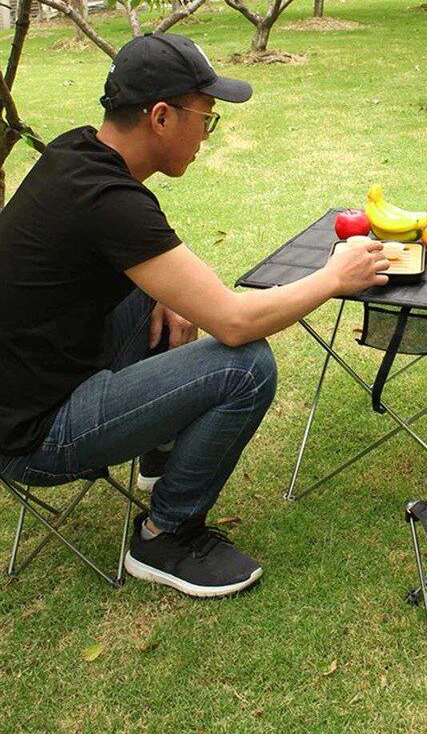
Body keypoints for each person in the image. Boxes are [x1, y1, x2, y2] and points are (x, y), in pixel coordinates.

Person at [0, 33, 390, 598]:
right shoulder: (110, 202)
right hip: (33, 435)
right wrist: (334, 278)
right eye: (206, 119)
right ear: (161, 117)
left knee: (165, 294)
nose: (207, 136)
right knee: (247, 366)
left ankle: (157, 455)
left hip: (33, 380)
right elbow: (234, 321)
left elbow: (136, 257)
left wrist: (163, 292)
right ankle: (165, 536)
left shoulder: (77, 153)